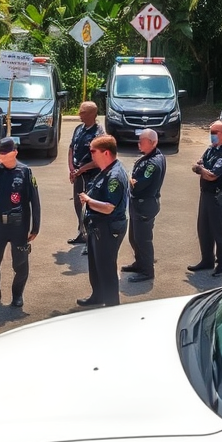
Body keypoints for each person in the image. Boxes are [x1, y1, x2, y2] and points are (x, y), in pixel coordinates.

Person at [0, 137, 41, 308]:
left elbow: (35, 201)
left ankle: (17, 294)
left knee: (20, 262)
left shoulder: (25, 172)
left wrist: (35, 227)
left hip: (19, 225)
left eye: (5, 153)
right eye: (0, 152)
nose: (2, 156)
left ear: (15, 152)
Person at [77, 135, 129, 308]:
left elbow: (108, 207)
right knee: (96, 265)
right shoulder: (106, 170)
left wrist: (88, 200)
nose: (90, 154)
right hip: (97, 227)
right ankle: (98, 296)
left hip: (108, 228)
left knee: (106, 268)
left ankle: (112, 306)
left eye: (93, 151)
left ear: (105, 153)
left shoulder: (114, 176)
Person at [189, 121, 222, 278]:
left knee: (219, 231)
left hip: (218, 196)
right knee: (204, 229)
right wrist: (201, 167)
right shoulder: (212, 149)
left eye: (215, 132)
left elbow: (212, 175)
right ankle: (207, 260)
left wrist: (199, 169)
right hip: (206, 194)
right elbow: (201, 161)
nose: (212, 135)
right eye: (211, 132)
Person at [122, 128, 165, 283]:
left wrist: (130, 180)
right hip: (138, 204)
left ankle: (147, 271)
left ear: (152, 143)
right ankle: (139, 263)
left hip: (144, 206)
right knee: (134, 238)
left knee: (143, 240)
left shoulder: (153, 163)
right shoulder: (149, 156)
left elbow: (138, 185)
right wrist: (132, 180)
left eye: (142, 141)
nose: (138, 143)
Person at [67, 101, 105, 246]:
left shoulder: (99, 134)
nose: (79, 114)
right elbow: (72, 148)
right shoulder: (78, 129)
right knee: (78, 204)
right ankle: (82, 233)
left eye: (82, 112)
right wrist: (72, 169)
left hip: (91, 176)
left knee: (90, 206)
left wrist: (81, 170)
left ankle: (91, 239)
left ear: (91, 114)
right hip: (78, 174)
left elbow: (98, 160)